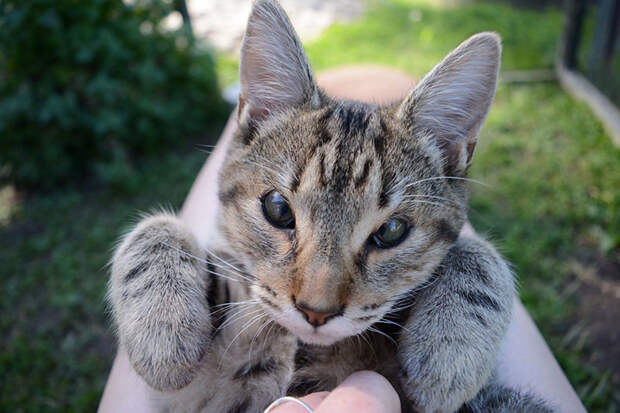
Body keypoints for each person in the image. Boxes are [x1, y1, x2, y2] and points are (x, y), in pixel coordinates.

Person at [98, 67, 586, 413]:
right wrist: (157, 249)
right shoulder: (237, 275)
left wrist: (471, 270)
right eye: (281, 212)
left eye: (388, 231)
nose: (319, 300)